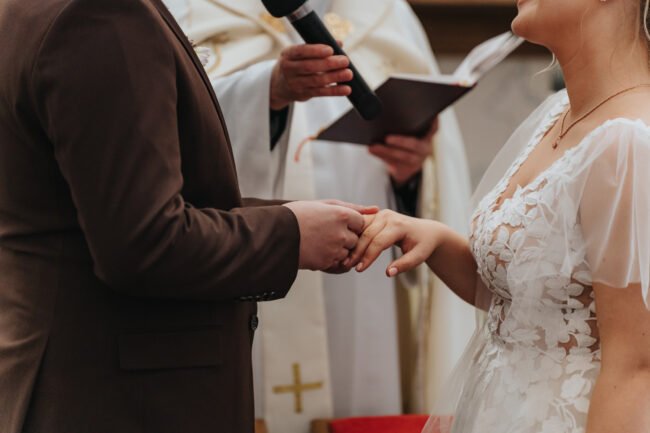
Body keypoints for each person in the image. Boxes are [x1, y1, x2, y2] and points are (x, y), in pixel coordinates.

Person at [0, 0, 375, 432]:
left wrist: (289, 216)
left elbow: (96, 206)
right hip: (118, 397)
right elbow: (145, 243)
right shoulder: (103, 14)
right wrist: (290, 234)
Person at [165, 0, 475, 422]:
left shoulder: (387, 12)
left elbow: (437, 176)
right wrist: (268, 91)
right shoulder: (184, 8)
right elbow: (166, 131)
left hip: (365, 283)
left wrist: (411, 173)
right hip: (245, 266)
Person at [351, 0, 650, 432]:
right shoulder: (557, 115)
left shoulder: (629, 144)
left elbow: (636, 367)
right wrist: (436, 239)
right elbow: (533, 307)